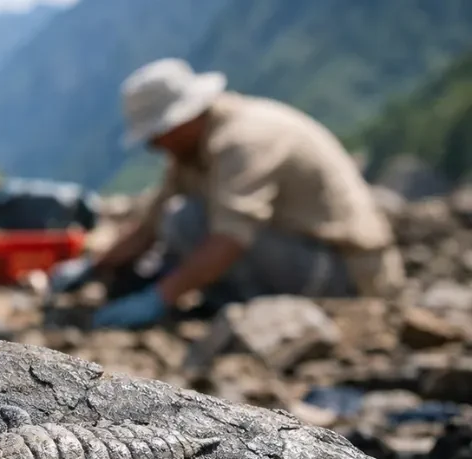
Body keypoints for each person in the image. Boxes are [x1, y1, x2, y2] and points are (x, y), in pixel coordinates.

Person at [50, 58, 403, 329]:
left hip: (349, 273)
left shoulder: (244, 141)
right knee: (178, 222)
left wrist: (160, 297)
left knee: (189, 222)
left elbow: (230, 238)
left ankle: (243, 304)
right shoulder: (194, 149)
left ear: (181, 120)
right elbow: (150, 226)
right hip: (306, 255)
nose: (155, 147)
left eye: (156, 135)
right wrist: (95, 266)